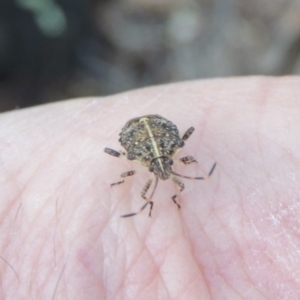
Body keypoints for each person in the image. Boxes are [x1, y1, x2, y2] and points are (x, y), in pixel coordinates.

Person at [0, 77, 299, 299]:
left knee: (166, 175)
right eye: (163, 170)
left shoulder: (165, 160)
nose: (165, 173)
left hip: (146, 133)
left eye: (166, 169)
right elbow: (121, 158)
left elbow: (179, 167)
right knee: (139, 172)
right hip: (150, 132)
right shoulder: (148, 161)